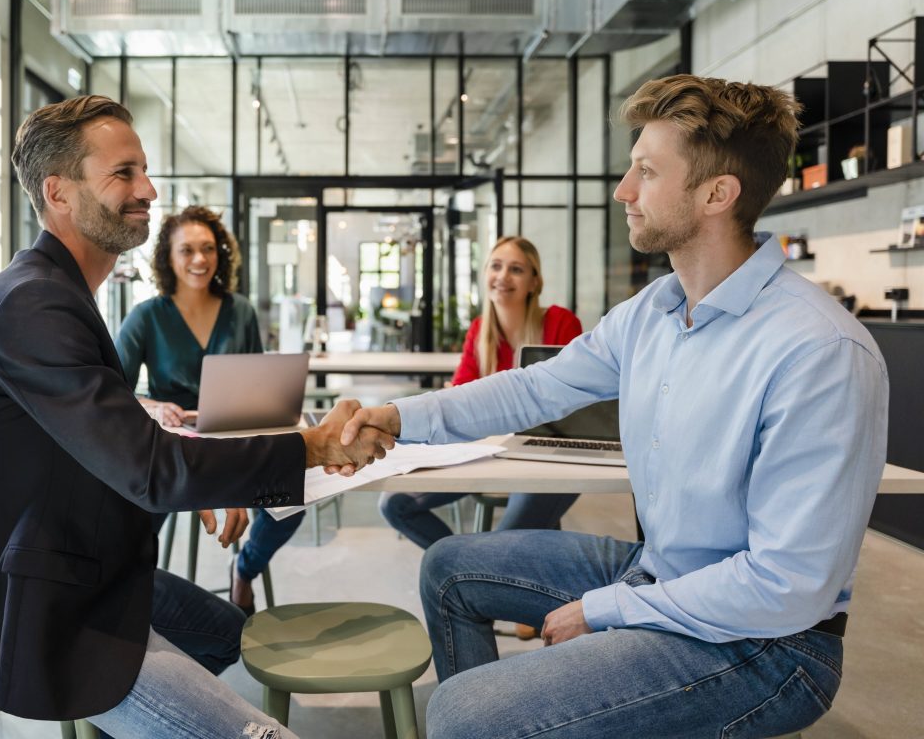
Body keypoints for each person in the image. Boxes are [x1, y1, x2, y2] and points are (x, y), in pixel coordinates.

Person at [335, 75, 889, 738]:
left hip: (769, 644)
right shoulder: (654, 312)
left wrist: (607, 609)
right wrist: (399, 420)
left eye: (646, 172)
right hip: (659, 572)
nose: (623, 191)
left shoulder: (817, 351)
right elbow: (532, 388)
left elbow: (784, 587)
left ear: (718, 194)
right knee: (449, 568)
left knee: (459, 714)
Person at [0, 95, 393, 738]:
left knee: (228, 638)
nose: (148, 189)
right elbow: (151, 472)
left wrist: (183, 442)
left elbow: (94, 415)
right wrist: (314, 448)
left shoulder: (54, 292)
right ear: (59, 192)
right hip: (47, 608)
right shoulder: (33, 305)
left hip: (95, 570)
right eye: (122, 173)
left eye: (144, 170)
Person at [114, 205, 307, 615]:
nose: (199, 259)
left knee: (292, 501)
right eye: (187, 250)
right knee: (134, 515)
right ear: (168, 257)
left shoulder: (240, 311)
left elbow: (259, 381)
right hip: (174, 448)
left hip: (234, 441)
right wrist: (156, 406)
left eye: (208, 249)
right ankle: (144, 604)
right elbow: (114, 391)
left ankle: (245, 568)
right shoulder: (146, 317)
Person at [379, 236, 582, 551]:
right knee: (394, 504)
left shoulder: (560, 323)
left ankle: (479, 567)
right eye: (496, 266)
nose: (502, 276)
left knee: (505, 545)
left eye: (516, 269)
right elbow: (460, 394)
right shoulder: (480, 330)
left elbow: (576, 402)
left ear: (534, 282)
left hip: (549, 455)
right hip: (489, 452)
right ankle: (466, 563)